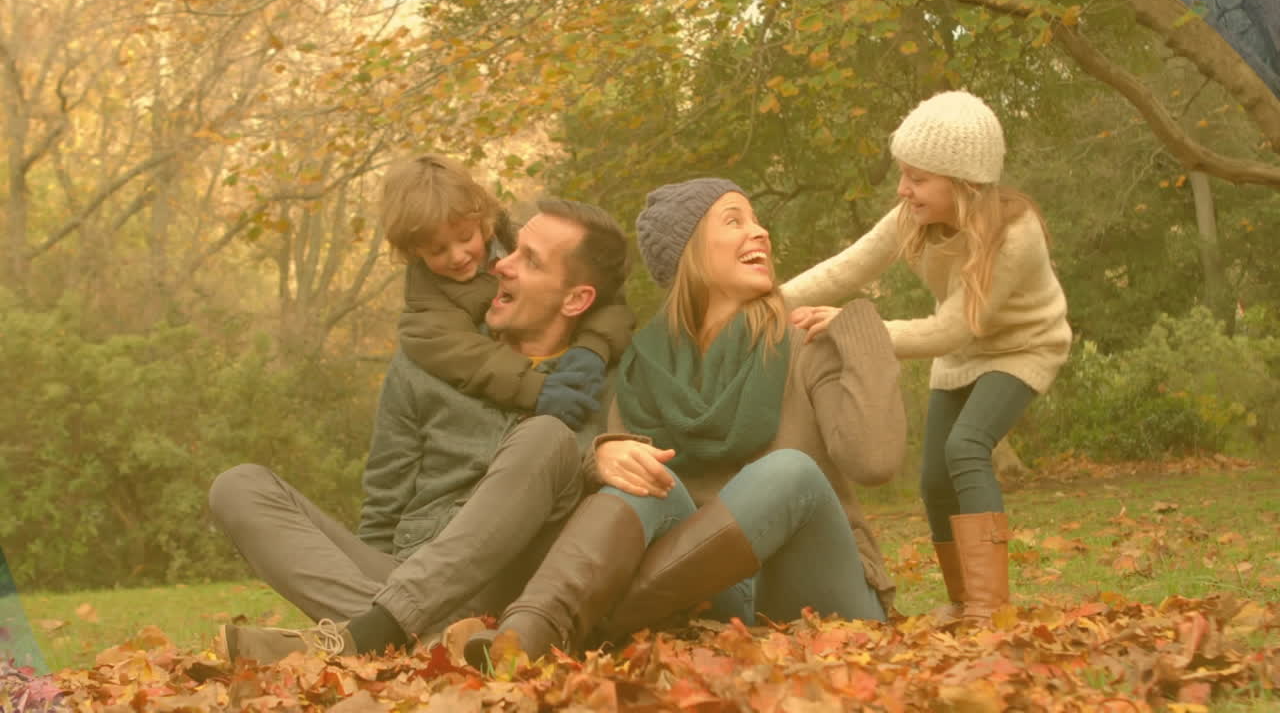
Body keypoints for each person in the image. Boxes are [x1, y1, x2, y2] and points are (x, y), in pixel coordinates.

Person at [465, 178, 906, 666]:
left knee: (790, 471)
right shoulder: (642, 372)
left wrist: (862, 331)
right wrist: (602, 457)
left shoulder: (805, 343)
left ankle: (590, 629)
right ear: (689, 253)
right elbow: (614, 509)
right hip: (728, 608)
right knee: (640, 473)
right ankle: (530, 631)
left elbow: (875, 461)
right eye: (735, 220)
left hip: (830, 604)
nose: (760, 233)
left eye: (757, 220)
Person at [208, 198, 632, 664]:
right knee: (238, 486)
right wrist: (383, 584)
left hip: (510, 588)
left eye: (528, 260)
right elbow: (385, 499)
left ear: (576, 299)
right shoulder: (429, 364)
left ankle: (384, 632)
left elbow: (621, 510)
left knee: (547, 436)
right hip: (407, 568)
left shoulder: (614, 378)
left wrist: (594, 457)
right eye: (511, 250)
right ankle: (413, 635)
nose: (500, 264)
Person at [782, 90, 1071, 619]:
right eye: (903, 174)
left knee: (966, 447)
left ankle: (991, 607)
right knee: (934, 478)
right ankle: (963, 602)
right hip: (962, 354)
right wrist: (766, 302)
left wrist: (857, 329)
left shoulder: (1014, 234)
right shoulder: (911, 218)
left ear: (962, 181)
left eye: (917, 177)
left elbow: (949, 329)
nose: (903, 188)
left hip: (1025, 346)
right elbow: (847, 268)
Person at [385, 154, 635, 430]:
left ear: (481, 220)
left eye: (466, 237)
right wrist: (533, 389)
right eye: (437, 250)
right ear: (414, 251)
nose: (457, 256)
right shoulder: (428, 303)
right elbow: (469, 358)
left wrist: (593, 347)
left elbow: (603, 294)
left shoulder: (520, 240)